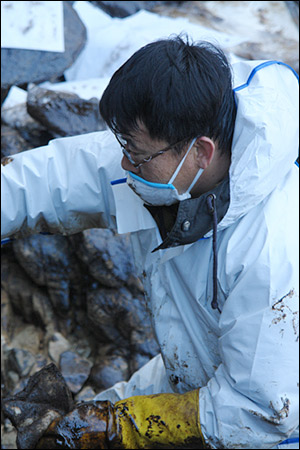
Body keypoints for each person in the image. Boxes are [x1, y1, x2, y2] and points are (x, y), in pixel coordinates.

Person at [1, 35, 299, 449]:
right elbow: (51, 180)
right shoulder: (165, 157)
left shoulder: (273, 251)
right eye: (124, 147)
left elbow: (260, 412)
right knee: (76, 429)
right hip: (197, 365)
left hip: (272, 422)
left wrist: (122, 426)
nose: (124, 165)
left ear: (202, 152)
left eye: (137, 156)